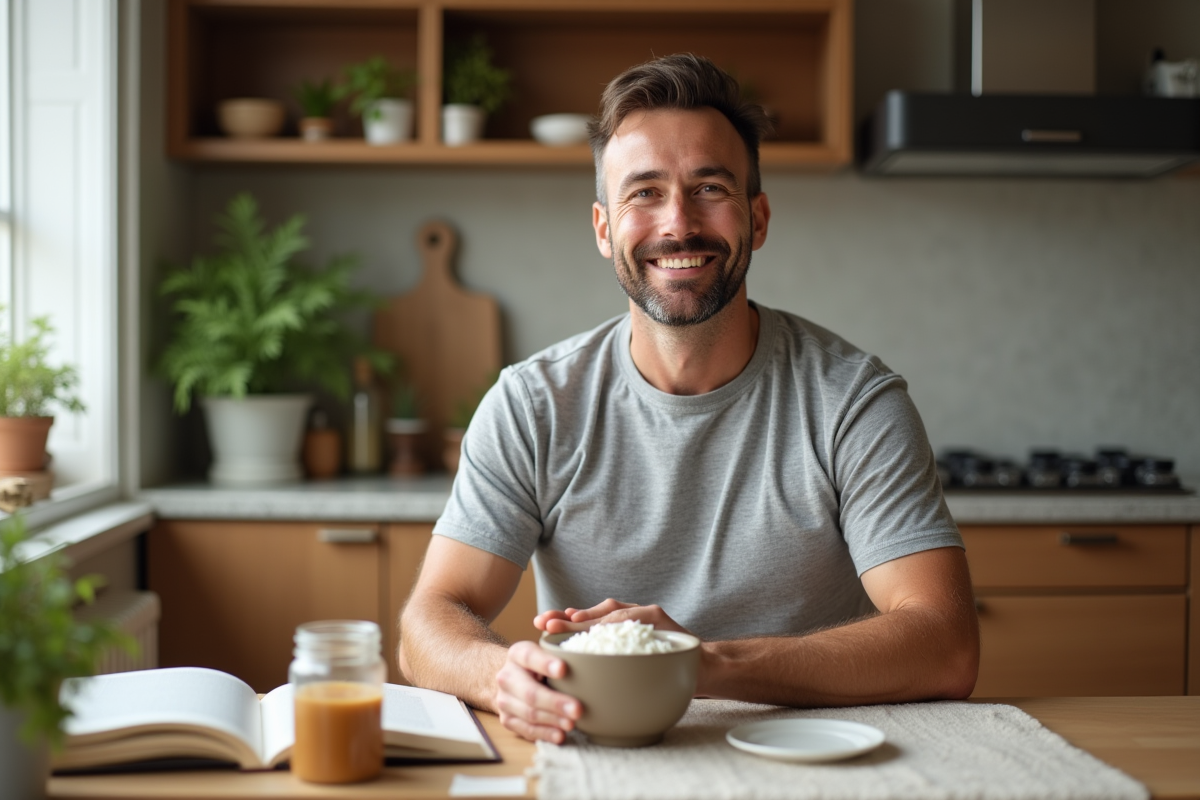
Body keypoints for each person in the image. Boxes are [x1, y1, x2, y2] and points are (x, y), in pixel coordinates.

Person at [398, 53, 979, 744]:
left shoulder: (853, 402)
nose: (678, 222)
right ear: (603, 227)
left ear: (757, 219)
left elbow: (945, 644)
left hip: (815, 758)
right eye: (643, 192)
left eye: (710, 187)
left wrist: (698, 662)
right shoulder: (533, 405)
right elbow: (430, 619)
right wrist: (501, 675)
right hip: (605, 754)